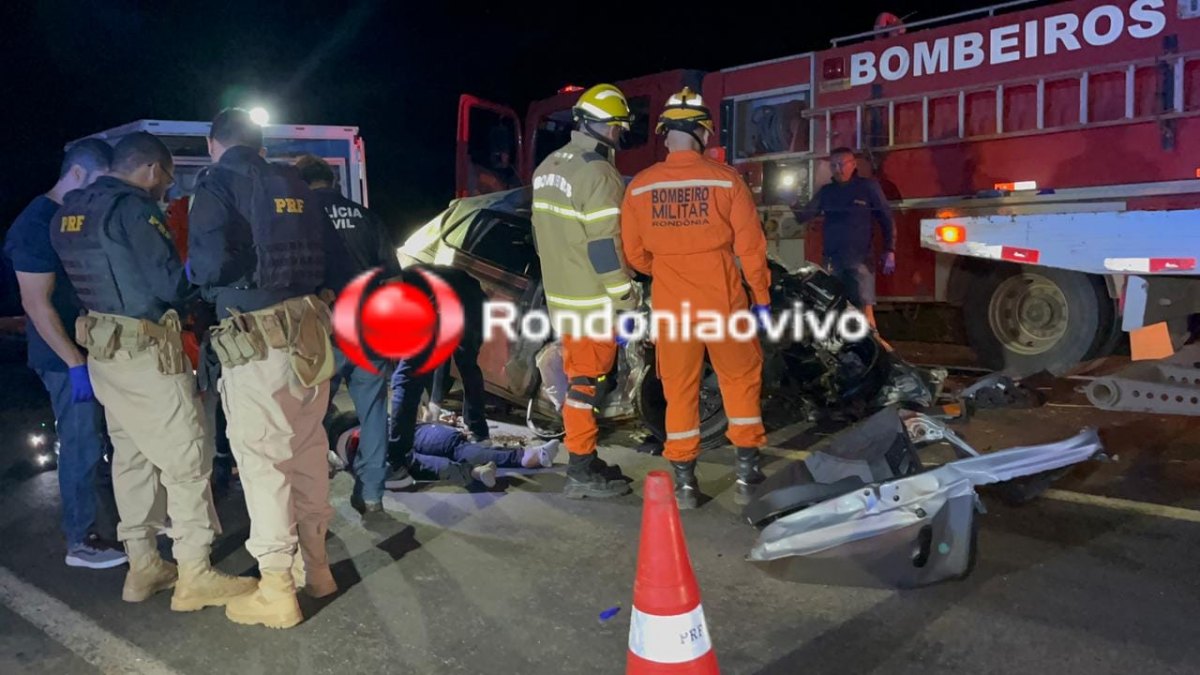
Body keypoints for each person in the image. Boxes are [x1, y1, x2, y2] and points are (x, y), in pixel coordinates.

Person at [48, 131, 257, 609]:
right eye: (163, 177)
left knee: (132, 460)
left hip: (103, 352)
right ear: (150, 169)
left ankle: (142, 567)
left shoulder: (71, 212)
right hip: (146, 353)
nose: (164, 187)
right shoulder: (134, 209)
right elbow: (168, 284)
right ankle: (195, 573)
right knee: (187, 463)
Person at [187, 108, 352, 628]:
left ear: (215, 144)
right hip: (309, 331)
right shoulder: (296, 182)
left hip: (257, 340)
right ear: (258, 144)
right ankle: (318, 569)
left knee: (263, 462)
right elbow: (329, 255)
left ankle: (277, 587)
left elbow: (211, 266)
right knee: (306, 452)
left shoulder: (217, 184)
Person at [620, 88, 771, 510]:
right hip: (723, 302)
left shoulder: (640, 188)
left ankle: (685, 484)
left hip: (673, 307)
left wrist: (667, 268)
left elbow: (633, 255)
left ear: (666, 135)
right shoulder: (726, 180)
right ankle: (745, 475)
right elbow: (751, 249)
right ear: (703, 133)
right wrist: (760, 296)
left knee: (680, 389)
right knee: (740, 381)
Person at [3, 139, 127, 569]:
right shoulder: (34, 224)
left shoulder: (70, 216)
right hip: (62, 359)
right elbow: (36, 303)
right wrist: (74, 363)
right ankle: (81, 540)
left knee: (102, 441)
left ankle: (121, 524)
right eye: (95, 183)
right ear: (76, 174)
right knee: (80, 444)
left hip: (90, 349)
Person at [529, 83, 639, 500]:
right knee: (585, 386)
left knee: (581, 380)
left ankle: (585, 456)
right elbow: (605, 247)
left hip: (563, 298)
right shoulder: (598, 172)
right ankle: (579, 467)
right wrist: (626, 297)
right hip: (593, 303)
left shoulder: (547, 167)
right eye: (618, 128)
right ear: (607, 127)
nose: (618, 137)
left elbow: (540, 239)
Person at [294, 153, 404, 514]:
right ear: (333, 181)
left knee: (310, 415)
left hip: (322, 331)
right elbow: (394, 280)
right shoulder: (367, 218)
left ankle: (312, 496)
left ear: (302, 183)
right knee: (373, 412)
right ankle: (372, 494)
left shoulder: (302, 217)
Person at [790, 146, 896, 342]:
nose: (838, 169)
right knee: (833, 307)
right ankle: (840, 350)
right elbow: (804, 216)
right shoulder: (827, 192)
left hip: (861, 259)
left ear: (853, 165)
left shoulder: (868, 187)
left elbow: (886, 219)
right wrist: (793, 200)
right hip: (833, 260)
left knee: (865, 309)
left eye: (842, 164)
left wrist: (890, 250)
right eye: (834, 165)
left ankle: (878, 352)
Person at [389, 263, 490, 466]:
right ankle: (437, 412)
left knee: (466, 364)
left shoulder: (406, 292)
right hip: (458, 299)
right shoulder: (402, 285)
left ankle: (479, 431)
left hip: (471, 304)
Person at [392, 423, 561, 489]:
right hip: (397, 433)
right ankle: (528, 456)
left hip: (386, 439)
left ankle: (476, 472)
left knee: (411, 460)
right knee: (454, 447)